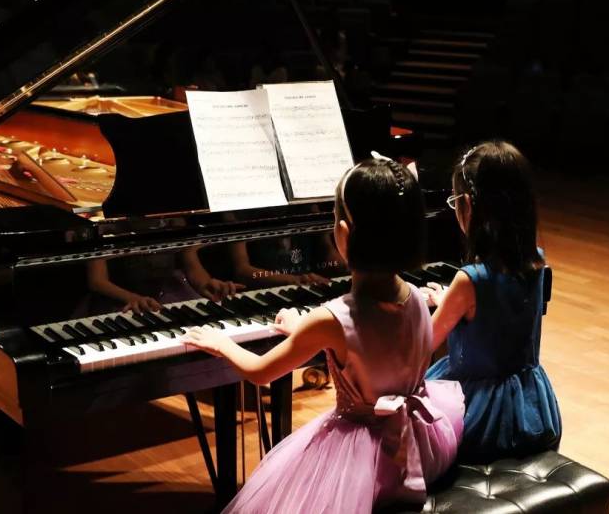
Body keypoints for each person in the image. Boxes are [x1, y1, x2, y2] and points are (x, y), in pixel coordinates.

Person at [184, 158, 464, 512]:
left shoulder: (330, 320)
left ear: (343, 234)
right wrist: (305, 331)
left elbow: (261, 372)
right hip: (418, 443)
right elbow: (371, 346)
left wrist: (222, 344)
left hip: (363, 460)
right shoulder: (416, 299)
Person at [424, 141, 561, 463]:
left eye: (454, 201)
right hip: (531, 407)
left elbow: (424, 341)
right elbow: (497, 311)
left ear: (468, 205)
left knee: (403, 429)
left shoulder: (469, 280)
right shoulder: (536, 262)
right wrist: (450, 302)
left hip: (482, 416)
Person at [87, 246, 243, 314]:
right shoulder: (103, 221)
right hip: (118, 302)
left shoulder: (173, 218)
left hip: (164, 293)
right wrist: (134, 298)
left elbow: (191, 265)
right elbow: (97, 281)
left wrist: (206, 283)